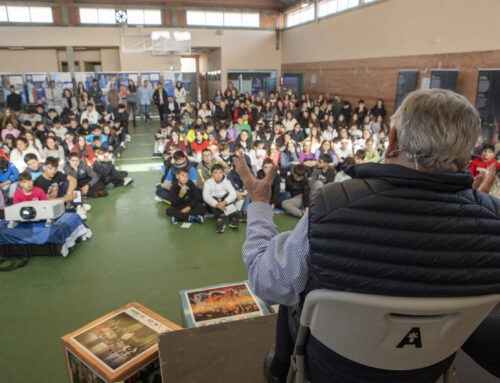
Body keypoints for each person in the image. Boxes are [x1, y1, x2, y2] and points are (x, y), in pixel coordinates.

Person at [233, 89, 500, 382]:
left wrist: (259, 203)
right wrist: (478, 215)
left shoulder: (331, 206)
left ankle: (279, 369)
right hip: (426, 367)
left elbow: (267, 281)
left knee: (293, 287)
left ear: (393, 141)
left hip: (333, 367)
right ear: (467, 154)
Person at [202, 163, 242, 233]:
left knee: (228, 197)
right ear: (212, 174)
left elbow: (233, 194)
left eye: (220, 172)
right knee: (212, 199)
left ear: (223, 173)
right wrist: (217, 204)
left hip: (224, 206)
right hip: (213, 208)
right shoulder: (208, 183)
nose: (218, 175)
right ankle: (220, 222)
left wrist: (224, 202)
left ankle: (232, 220)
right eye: (215, 173)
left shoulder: (227, 182)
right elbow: (205, 196)